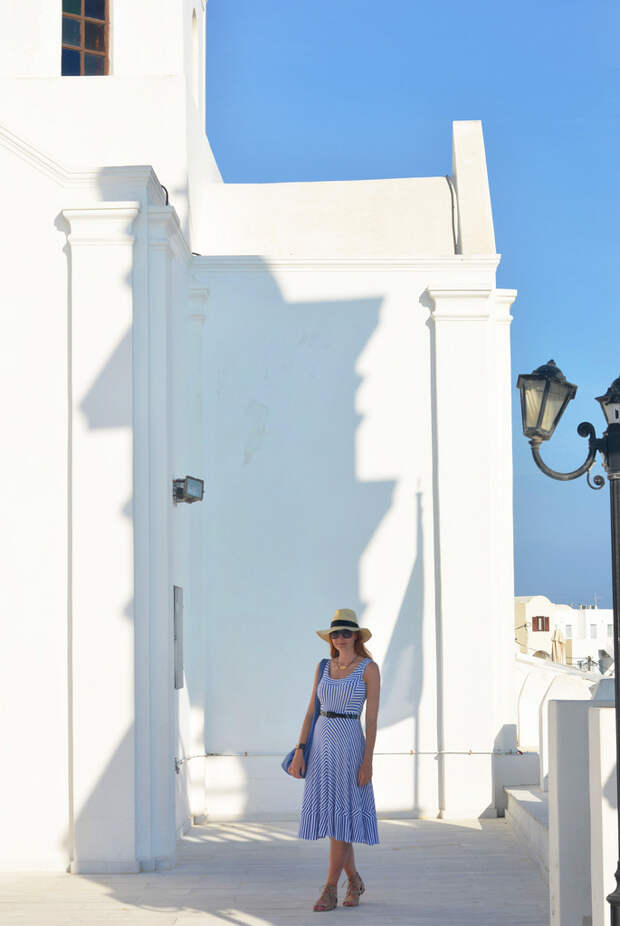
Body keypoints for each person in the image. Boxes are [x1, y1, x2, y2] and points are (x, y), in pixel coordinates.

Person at [288, 608, 380, 912]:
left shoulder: (369, 668)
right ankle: (353, 880)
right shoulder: (323, 666)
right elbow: (311, 710)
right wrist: (301, 749)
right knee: (334, 817)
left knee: (342, 815)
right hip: (322, 744)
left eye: (346, 632)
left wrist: (367, 761)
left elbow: (372, 720)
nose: (340, 638)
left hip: (350, 743)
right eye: (335, 633)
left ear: (356, 636)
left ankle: (329, 889)